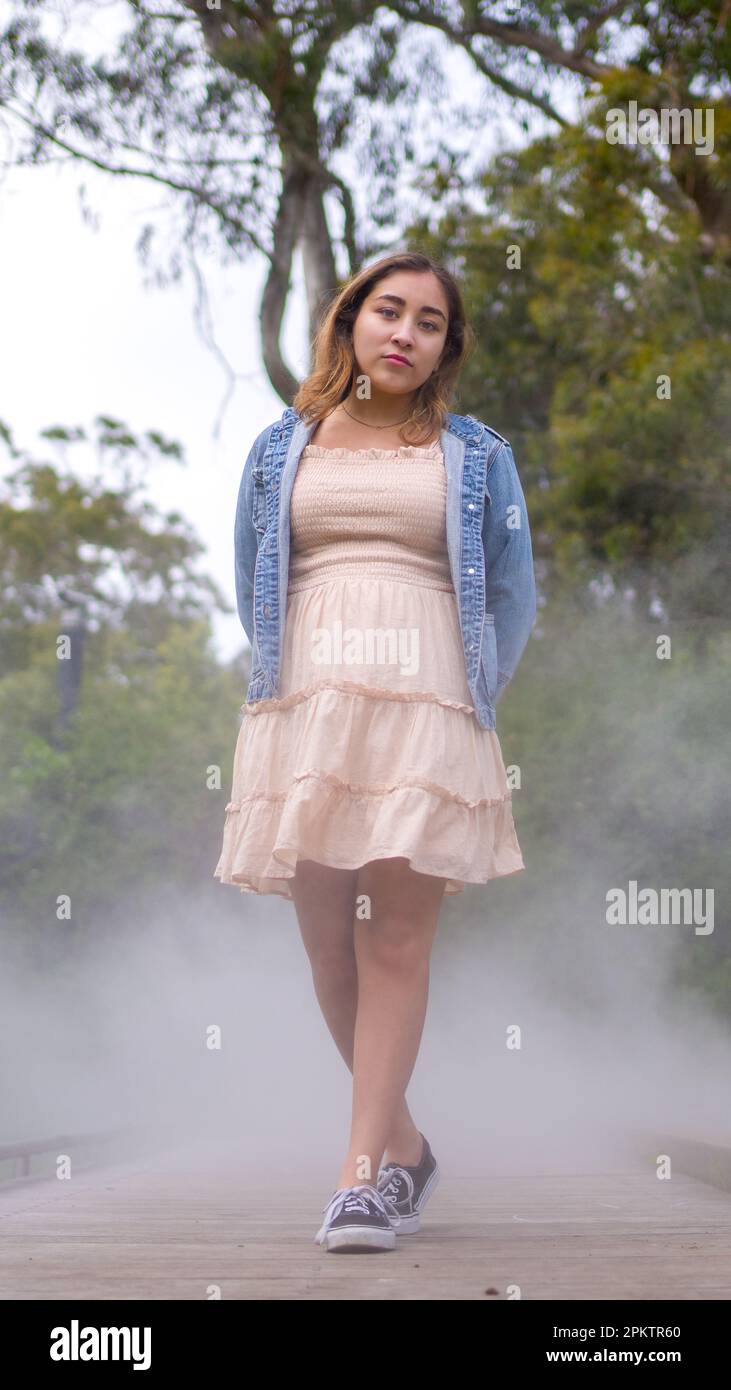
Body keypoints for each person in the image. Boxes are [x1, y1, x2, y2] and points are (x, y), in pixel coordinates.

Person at [214, 250, 537, 1252]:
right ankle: (402, 1141)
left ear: (445, 346)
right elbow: (249, 571)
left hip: (423, 699)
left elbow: (510, 592)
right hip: (310, 703)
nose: (403, 333)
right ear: (350, 322)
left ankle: (359, 1178)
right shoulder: (281, 447)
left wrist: (468, 696)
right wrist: (285, 682)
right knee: (328, 948)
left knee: (391, 937)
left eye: (428, 322)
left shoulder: (473, 453)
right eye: (386, 311)